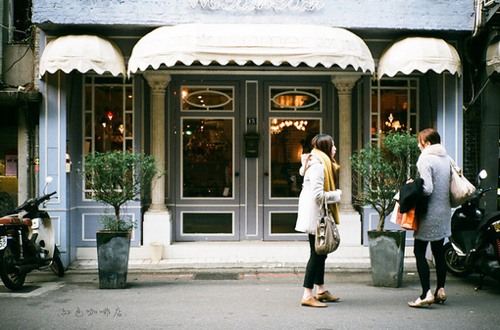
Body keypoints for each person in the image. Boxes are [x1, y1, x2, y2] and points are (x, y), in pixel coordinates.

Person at [295, 134, 342, 308]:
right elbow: (317, 195)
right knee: (316, 254)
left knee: (321, 253)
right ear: (325, 148)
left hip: (317, 214)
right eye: (333, 145)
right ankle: (307, 294)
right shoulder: (318, 166)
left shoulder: (320, 163)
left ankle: (320, 290)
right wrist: (337, 195)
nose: (335, 149)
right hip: (315, 216)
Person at [408, 128, 452, 308]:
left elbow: (427, 189)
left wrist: (413, 185)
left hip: (429, 213)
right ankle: (440, 289)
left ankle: (425, 293)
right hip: (444, 211)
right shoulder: (446, 158)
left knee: (419, 251)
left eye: (420, 142)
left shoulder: (425, 158)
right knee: (438, 251)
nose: (419, 145)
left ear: (426, 143)